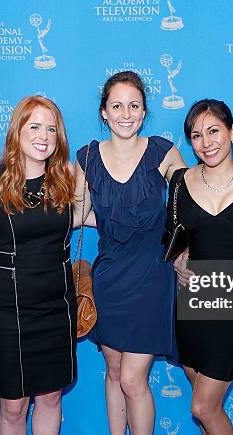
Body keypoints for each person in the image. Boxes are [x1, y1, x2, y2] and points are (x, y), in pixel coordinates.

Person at [75, 71, 185, 435]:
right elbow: (77, 214)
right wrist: (108, 222)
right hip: (109, 279)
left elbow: (190, 206)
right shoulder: (88, 157)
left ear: (144, 111)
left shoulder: (162, 151)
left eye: (134, 106)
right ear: (103, 112)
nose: (126, 113)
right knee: (114, 372)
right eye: (117, 106)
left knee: (134, 379)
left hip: (152, 278)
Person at [0, 95, 92, 435]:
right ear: (17, 130)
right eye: (34, 126)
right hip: (8, 309)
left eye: (51, 129)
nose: (43, 135)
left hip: (56, 306)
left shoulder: (69, 177)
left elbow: (93, 219)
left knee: (50, 397)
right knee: (13, 407)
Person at [168, 99, 233, 434]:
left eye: (214, 131)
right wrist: (178, 261)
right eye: (196, 136)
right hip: (191, 306)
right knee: (208, 406)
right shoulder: (179, 182)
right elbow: (173, 239)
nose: (206, 143)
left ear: (232, 132)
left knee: (202, 406)